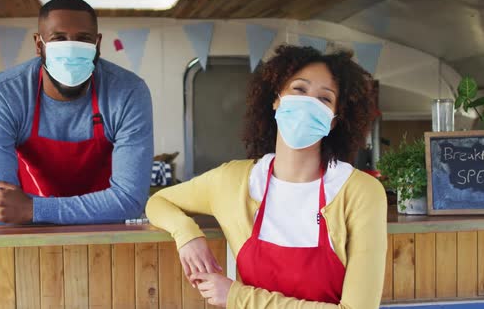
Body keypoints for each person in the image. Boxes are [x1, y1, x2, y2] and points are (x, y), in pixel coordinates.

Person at [146, 45, 386, 308]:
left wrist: (237, 297)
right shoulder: (232, 182)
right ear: (275, 99)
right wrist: (187, 235)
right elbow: (158, 202)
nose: (309, 103)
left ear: (334, 120)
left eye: (325, 99)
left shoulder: (361, 192)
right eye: (299, 90)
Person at [0, 0, 153, 225]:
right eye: (59, 38)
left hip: (107, 236)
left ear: (97, 44)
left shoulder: (128, 92)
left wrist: (34, 208)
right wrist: (103, 208)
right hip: (31, 238)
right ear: (39, 45)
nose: (70, 50)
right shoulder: (2, 94)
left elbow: (130, 202)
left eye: (83, 39)